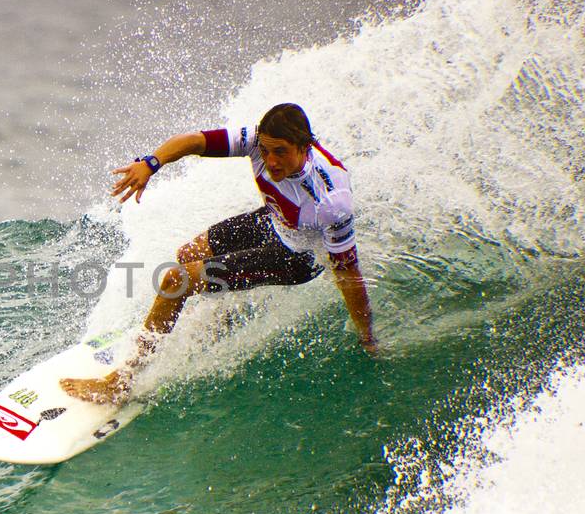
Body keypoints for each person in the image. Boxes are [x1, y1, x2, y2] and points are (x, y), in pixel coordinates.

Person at [60, 102, 377, 404]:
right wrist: (150, 164)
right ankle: (214, 318)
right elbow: (195, 142)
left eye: (280, 152)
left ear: (304, 146)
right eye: (266, 151)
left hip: (297, 258)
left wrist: (367, 338)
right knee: (188, 253)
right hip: (274, 221)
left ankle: (120, 383)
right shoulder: (256, 141)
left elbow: (348, 272)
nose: (271, 161)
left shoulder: (331, 201)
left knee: (176, 281)